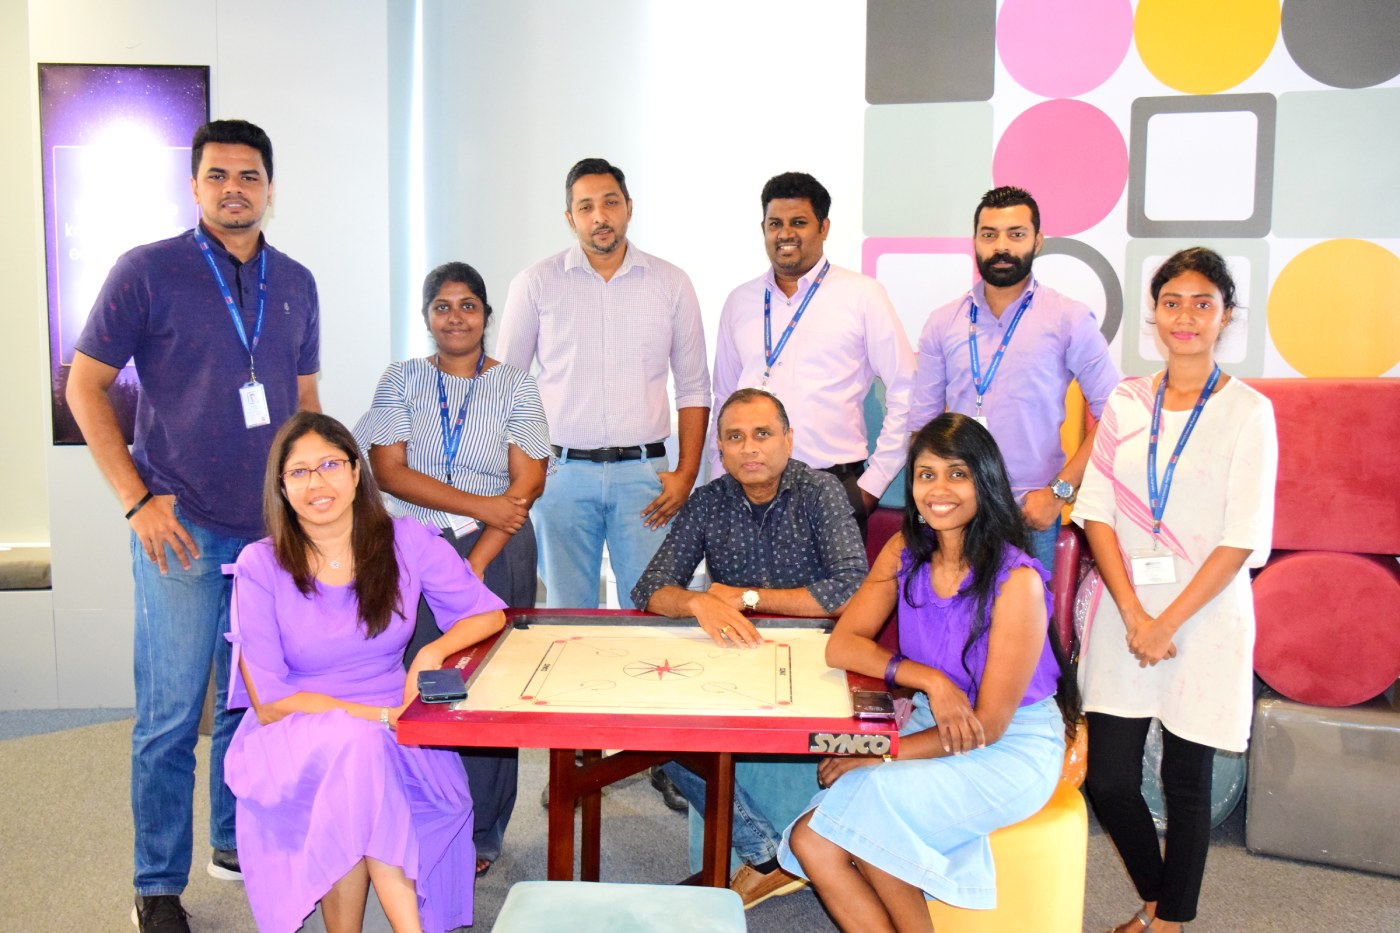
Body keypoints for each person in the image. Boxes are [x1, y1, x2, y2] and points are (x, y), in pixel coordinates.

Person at [64, 119, 320, 932]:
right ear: (194, 185)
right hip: (178, 528)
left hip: (269, 533)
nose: (233, 189)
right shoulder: (148, 270)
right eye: (217, 175)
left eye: (249, 176)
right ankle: (156, 882)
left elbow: (305, 403)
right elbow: (84, 386)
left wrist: (311, 508)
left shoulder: (296, 280)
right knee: (172, 714)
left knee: (250, 700)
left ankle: (232, 840)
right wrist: (135, 499)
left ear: (270, 188)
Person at [782, 413, 1077, 933]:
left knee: (871, 816)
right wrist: (930, 680)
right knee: (812, 841)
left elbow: (986, 727)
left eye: (957, 474)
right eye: (926, 475)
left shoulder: (1017, 583)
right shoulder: (905, 550)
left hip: (1009, 747)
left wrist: (882, 753)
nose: (939, 490)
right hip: (931, 723)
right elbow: (843, 645)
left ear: (984, 482)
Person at [224, 412, 508, 933]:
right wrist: (378, 718)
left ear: (357, 471)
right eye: (299, 472)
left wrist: (430, 653)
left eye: (330, 465)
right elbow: (270, 701)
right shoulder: (259, 565)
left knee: (362, 765)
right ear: (282, 488)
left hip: (394, 718)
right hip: (296, 729)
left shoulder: (404, 540)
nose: (317, 483)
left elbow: (487, 614)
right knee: (359, 752)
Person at [1072, 248, 1277, 933]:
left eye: (1202, 303)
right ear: (1155, 313)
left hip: (1206, 616)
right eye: (1172, 302)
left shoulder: (1249, 411)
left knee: (1187, 781)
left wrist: (1167, 621)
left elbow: (1243, 534)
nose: (1185, 316)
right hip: (1124, 613)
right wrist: (1136, 612)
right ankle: (1163, 898)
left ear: (1226, 316)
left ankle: (1167, 921)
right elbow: (1095, 510)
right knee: (1109, 779)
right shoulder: (1127, 400)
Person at [631, 388, 867, 908]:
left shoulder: (821, 491)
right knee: (652, 732)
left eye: (762, 434)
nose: (749, 448)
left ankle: (769, 854)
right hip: (735, 656)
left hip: (816, 660)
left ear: (788, 439)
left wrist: (748, 597)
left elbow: (852, 588)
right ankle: (766, 853)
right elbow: (649, 588)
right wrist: (696, 602)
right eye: (735, 437)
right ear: (720, 447)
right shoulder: (709, 500)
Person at [355, 262, 551, 877]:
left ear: (486, 315)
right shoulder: (402, 379)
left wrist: (476, 559)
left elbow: (527, 485)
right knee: (417, 680)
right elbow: (388, 472)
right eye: (442, 306)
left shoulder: (516, 385)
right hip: (411, 549)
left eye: (469, 305)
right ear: (426, 318)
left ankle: (482, 832)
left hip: (497, 545)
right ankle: (420, 817)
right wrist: (477, 505)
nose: (456, 317)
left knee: (490, 687)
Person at [498, 157, 710, 609]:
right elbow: (506, 389)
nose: (600, 216)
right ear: (570, 218)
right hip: (560, 477)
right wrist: (522, 475)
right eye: (586, 207)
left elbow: (693, 386)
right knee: (567, 612)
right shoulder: (535, 284)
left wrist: (686, 475)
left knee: (650, 608)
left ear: (629, 207)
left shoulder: (672, 283)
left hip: (646, 478)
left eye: (610, 203)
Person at [907, 186, 1120, 575]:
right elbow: (922, 423)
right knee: (954, 612)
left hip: (1030, 511)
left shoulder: (1068, 318)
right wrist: (931, 497)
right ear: (975, 242)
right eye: (989, 235)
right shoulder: (943, 322)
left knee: (1028, 613)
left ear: (1038, 241)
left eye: (1016, 234)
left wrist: (1058, 493)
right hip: (956, 510)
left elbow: (1115, 416)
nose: (1001, 246)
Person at [711, 172, 915, 539]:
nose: (785, 233)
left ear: (824, 228)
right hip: (746, 490)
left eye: (799, 222)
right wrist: (718, 481)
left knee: (833, 583)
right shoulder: (739, 301)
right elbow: (724, 398)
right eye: (775, 223)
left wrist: (872, 485)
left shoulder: (862, 295)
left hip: (831, 487)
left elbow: (907, 388)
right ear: (763, 228)